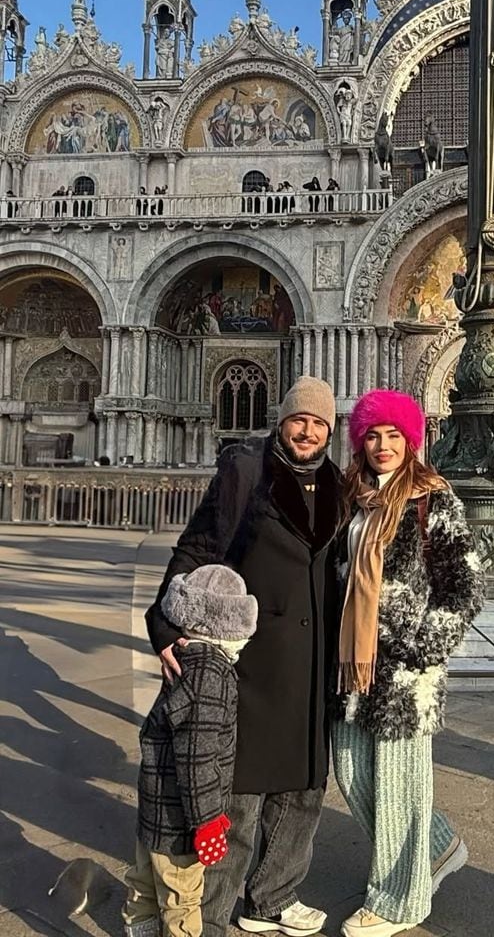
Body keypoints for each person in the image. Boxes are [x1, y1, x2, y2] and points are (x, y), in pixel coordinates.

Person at [145, 377, 343, 937]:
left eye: (319, 423)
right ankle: (209, 915)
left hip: (313, 660)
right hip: (251, 657)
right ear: (282, 422)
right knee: (242, 786)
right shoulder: (247, 470)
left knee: (305, 785)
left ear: (330, 431)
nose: (308, 431)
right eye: (299, 420)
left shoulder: (335, 483)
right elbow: (198, 547)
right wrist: (165, 626)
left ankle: (272, 898)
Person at [332, 390, 484, 937]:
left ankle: (399, 901)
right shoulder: (352, 498)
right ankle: (438, 847)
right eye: (372, 435)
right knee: (351, 774)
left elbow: (464, 586)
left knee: (399, 788)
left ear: (411, 440)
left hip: (402, 672)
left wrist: (424, 651)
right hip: (351, 665)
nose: (382, 445)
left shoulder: (431, 498)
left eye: (393, 434)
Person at [124, 565, 258, 937]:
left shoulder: (186, 659)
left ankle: (140, 931)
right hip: (181, 819)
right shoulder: (211, 673)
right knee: (181, 901)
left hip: (154, 808)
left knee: (144, 885)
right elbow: (197, 754)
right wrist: (208, 821)